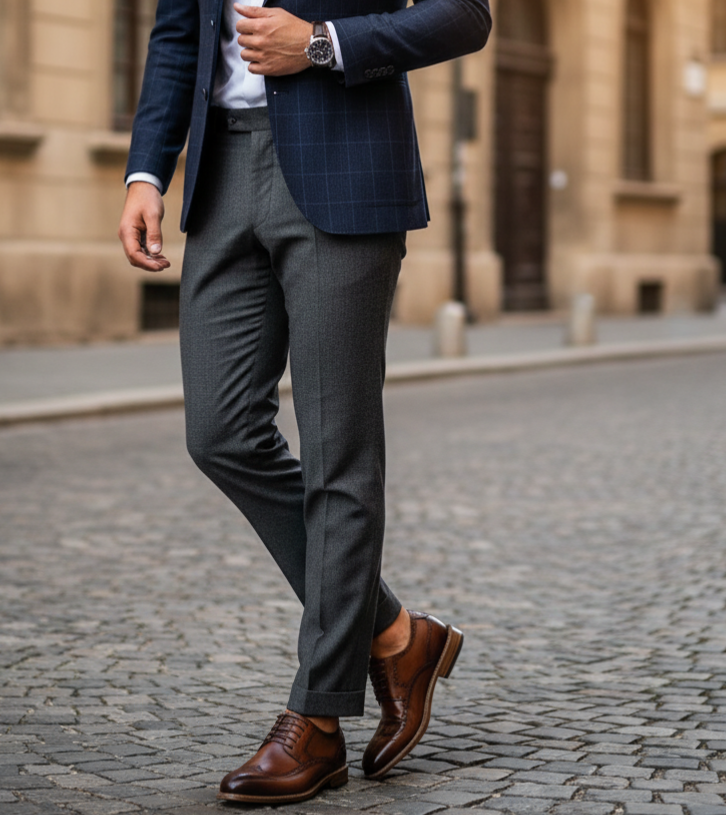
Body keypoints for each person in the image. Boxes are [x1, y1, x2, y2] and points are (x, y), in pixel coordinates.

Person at [118, 0, 491, 804]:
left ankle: (316, 721)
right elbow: (179, 33)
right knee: (219, 433)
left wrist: (319, 45)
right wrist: (147, 170)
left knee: (337, 448)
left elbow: (464, 16)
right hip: (219, 179)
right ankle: (396, 635)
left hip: (344, 168)